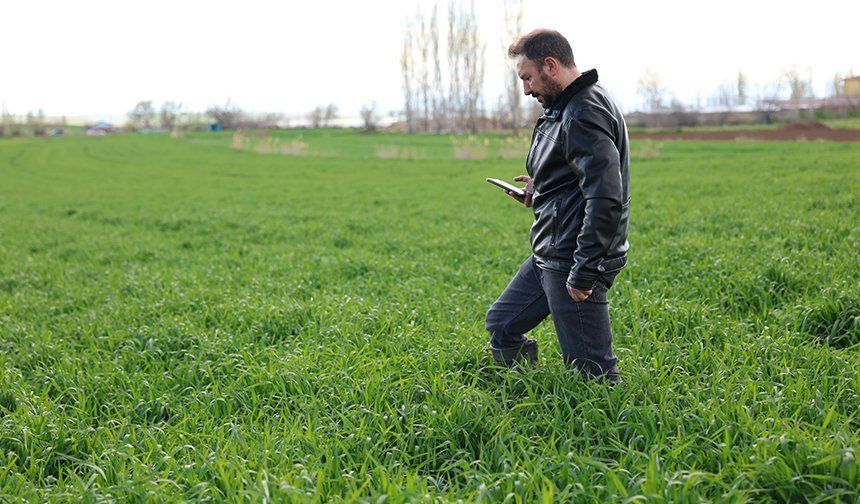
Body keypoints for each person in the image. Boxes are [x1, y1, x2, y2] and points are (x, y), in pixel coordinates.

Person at [486, 29, 630, 381]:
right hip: (550, 252)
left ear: (550, 66)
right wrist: (541, 189)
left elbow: (605, 197)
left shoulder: (583, 112)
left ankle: (604, 431)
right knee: (502, 322)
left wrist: (584, 271)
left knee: (592, 375)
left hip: (573, 257)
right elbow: (576, 176)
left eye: (528, 78)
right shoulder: (565, 106)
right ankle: (517, 390)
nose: (527, 89)